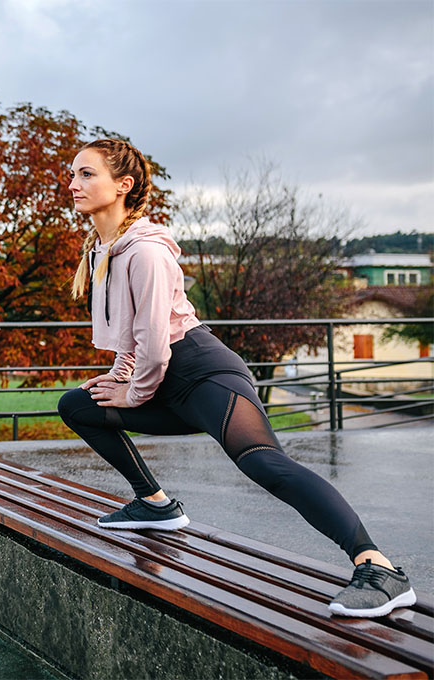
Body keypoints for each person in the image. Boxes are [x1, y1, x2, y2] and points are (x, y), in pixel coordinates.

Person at [56, 138, 415, 619]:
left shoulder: (146, 253)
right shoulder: (106, 249)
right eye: (73, 173)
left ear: (123, 185)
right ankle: (157, 506)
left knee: (264, 464)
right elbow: (131, 335)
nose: (73, 183)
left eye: (86, 174)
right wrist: (120, 379)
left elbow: (157, 340)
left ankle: (378, 567)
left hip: (204, 374)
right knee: (78, 405)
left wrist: (133, 390)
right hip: (161, 377)